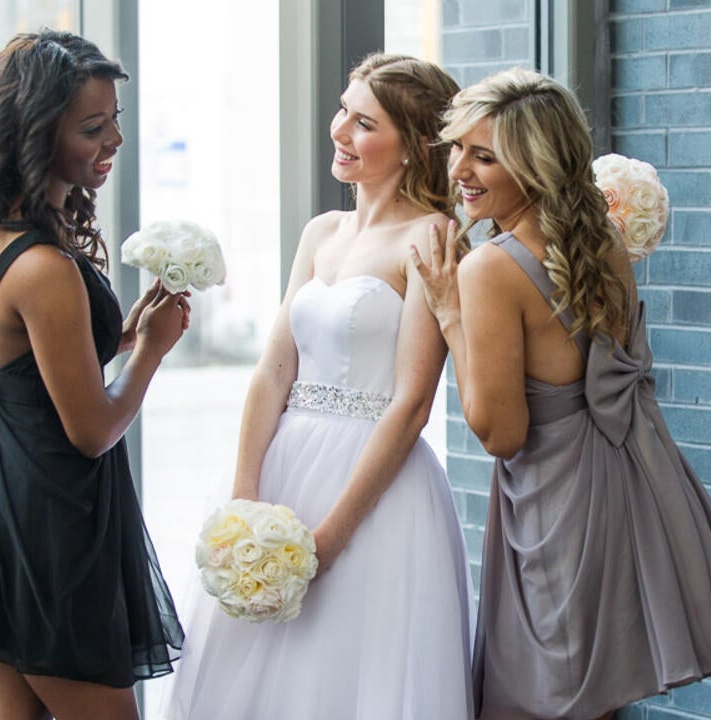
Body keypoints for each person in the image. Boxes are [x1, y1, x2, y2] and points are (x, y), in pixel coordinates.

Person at [412, 68, 711, 720]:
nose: (461, 171)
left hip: (555, 508)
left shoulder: (488, 270)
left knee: (536, 699)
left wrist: (448, 312)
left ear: (535, 164)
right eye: (457, 148)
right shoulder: (605, 244)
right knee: (595, 700)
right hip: (623, 486)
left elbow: (501, 434)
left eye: (485, 155)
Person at [0, 30, 188, 720]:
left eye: (114, 119)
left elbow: (33, 371)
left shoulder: (5, 236)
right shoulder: (46, 266)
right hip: (40, 520)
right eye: (91, 127)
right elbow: (90, 429)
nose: (112, 139)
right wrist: (151, 352)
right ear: (36, 132)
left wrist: (123, 332)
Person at [164, 53, 473, 720]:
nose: (339, 130)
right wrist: (245, 498)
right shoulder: (321, 233)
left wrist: (328, 540)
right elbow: (275, 369)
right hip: (283, 471)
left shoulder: (432, 237)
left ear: (418, 143)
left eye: (363, 122)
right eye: (343, 109)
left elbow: (412, 404)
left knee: (343, 678)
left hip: (373, 494)